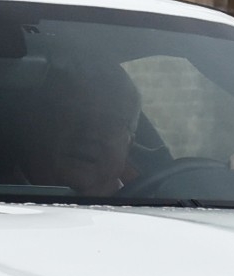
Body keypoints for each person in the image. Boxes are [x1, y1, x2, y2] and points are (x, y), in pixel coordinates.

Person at [13, 59, 143, 197]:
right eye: (74, 115)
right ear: (39, 122)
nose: (90, 134)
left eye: (109, 123)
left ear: (129, 144)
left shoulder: (151, 200)